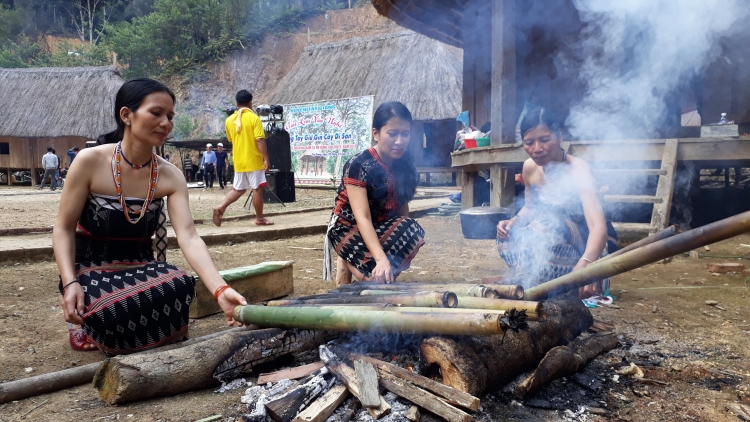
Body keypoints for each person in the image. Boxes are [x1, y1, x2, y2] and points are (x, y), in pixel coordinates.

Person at [52, 78, 247, 355]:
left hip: (141, 265)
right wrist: (70, 282)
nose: (166, 122)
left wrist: (219, 290)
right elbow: (63, 228)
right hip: (91, 266)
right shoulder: (90, 161)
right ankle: (87, 317)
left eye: (170, 116)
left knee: (180, 284)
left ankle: (111, 327)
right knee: (109, 307)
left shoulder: (170, 175)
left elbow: (189, 237)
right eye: (156, 113)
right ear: (126, 115)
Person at [495, 105, 617, 299]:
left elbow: (598, 227)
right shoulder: (529, 168)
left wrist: (586, 264)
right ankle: (539, 278)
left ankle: (564, 279)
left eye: (545, 140)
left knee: (547, 225)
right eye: (529, 142)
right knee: (509, 236)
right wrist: (513, 222)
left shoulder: (579, 170)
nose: (536, 149)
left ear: (560, 136)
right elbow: (530, 206)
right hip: (554, 240)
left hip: (590, 246)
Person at [324, 101, 425, 286]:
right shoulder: (359, 165)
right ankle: (346, 258)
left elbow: (402, 210)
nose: (400, 141)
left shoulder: (405, 165)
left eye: (405, 134)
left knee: (412, 229)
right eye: (392, 134)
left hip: (380, 227)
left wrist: (396, 257)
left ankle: (366, 265)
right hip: (348, 228)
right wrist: (381, 259)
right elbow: (362, 217)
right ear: (376, 133)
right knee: (372, 279)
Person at [213, 90, 272, 226]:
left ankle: (221, 207)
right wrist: (266, 159)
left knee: (238, 190)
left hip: (239, 161)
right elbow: (260, 141)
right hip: (253, 159)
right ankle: (260, 218)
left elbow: (231, 140)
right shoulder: (254, 118)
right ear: (250, 103)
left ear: (236, 103)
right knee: (257, 189)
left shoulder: (229, 121)